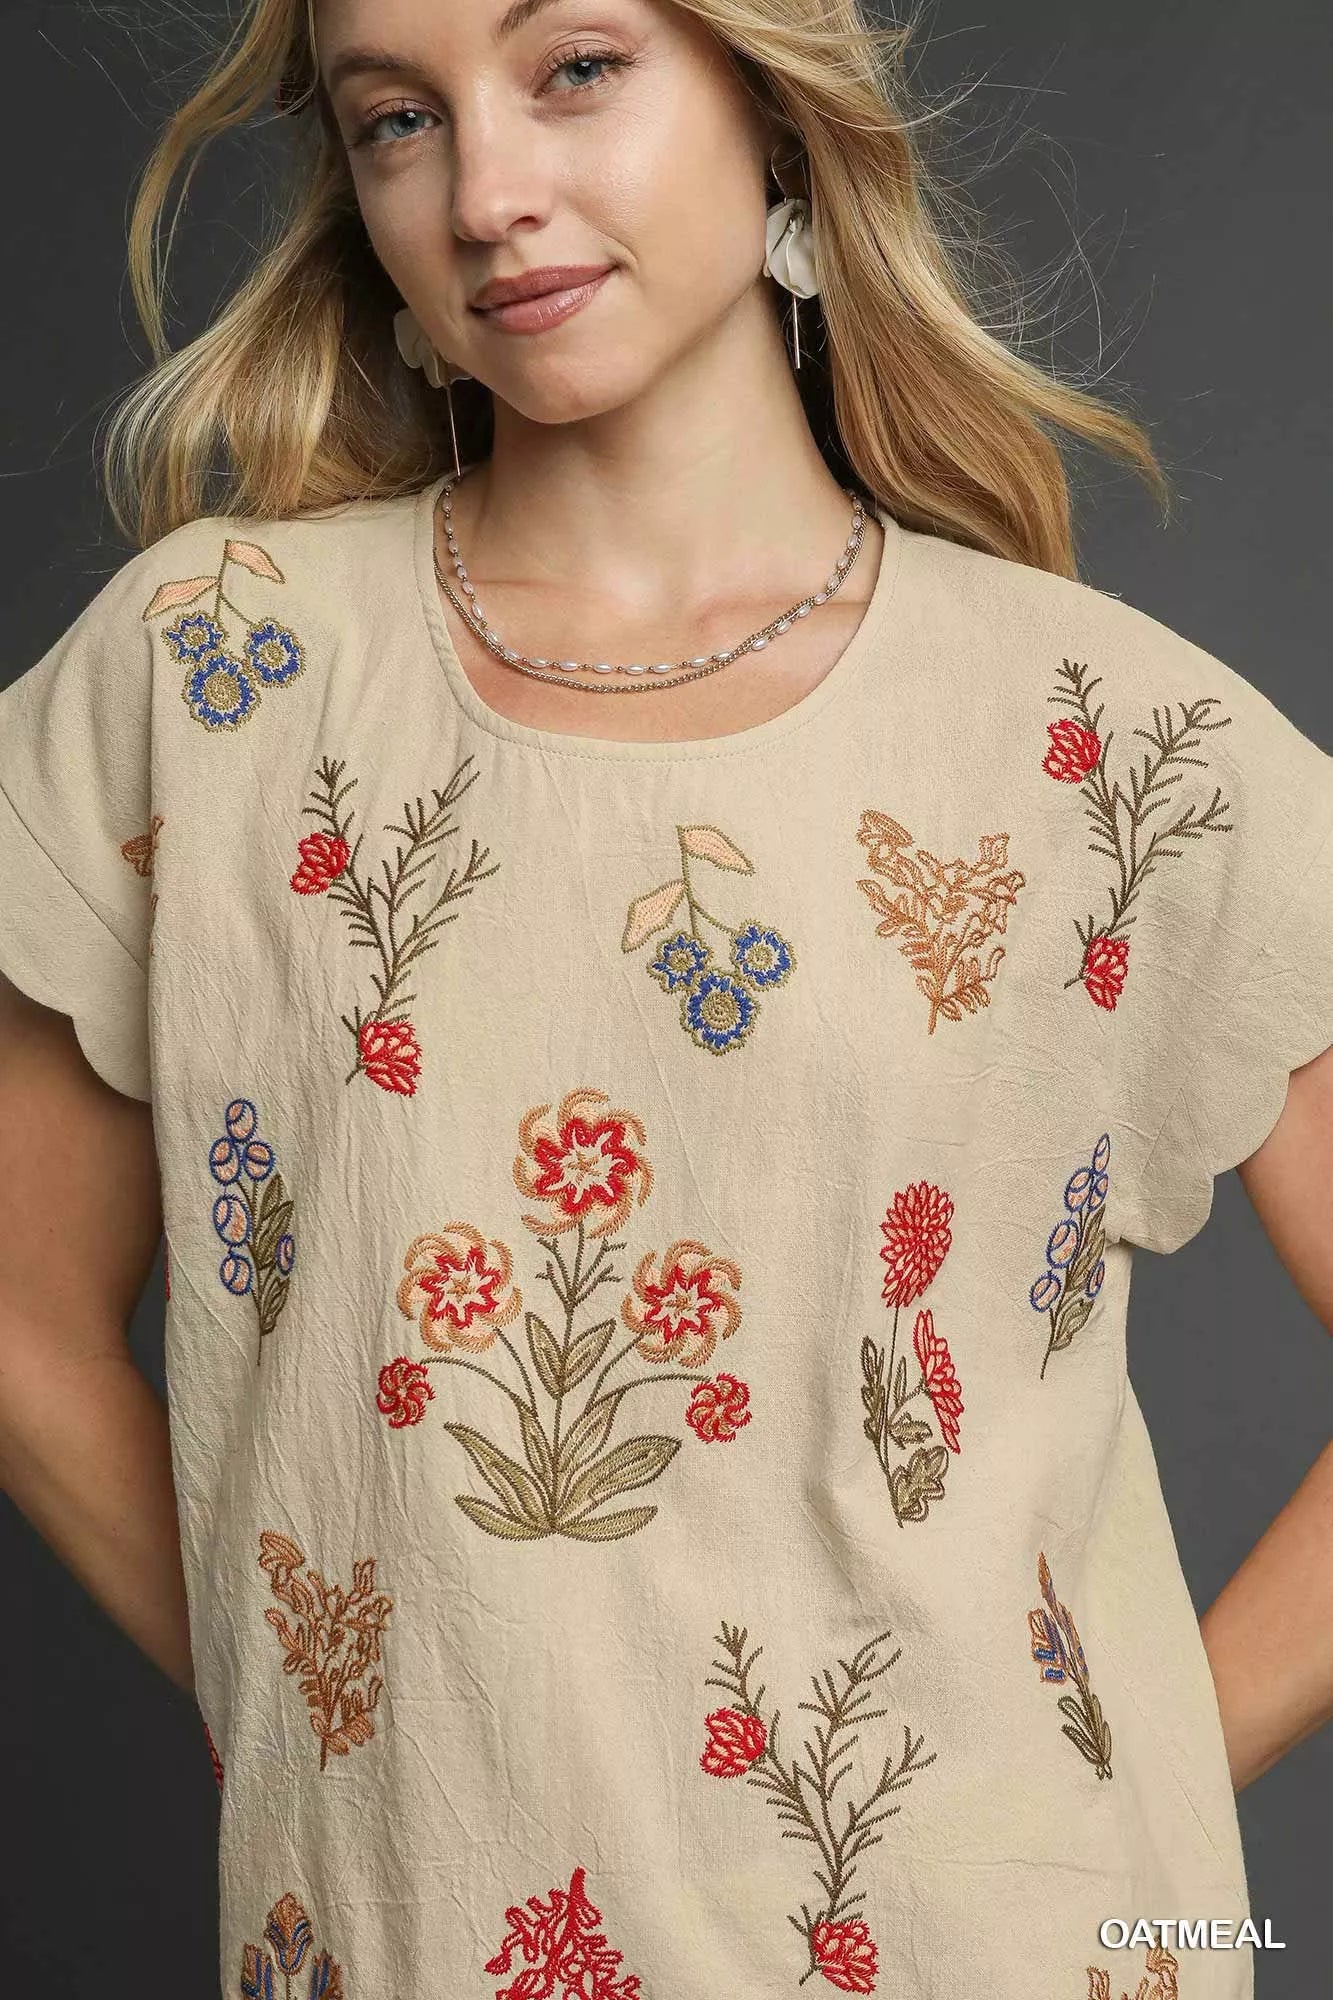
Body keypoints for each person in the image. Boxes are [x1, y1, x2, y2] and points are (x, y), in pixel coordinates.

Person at [0, 0, 1329, 1993]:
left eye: (574, 68)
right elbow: (20, 1317)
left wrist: (1114, 1808)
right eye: (396, 120)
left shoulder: (1108, 739)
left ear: (773, 109)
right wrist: (340, 1706)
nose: (487, 192)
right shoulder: (212, 673)